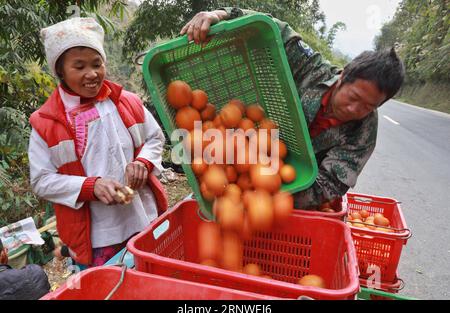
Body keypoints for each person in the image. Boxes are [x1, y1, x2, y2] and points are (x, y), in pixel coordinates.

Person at [180, 8, 405, 209]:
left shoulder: (363, 133)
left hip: (290, 191)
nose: (355, 109)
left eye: (368, 106)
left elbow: (329, 185)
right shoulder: (313, 70)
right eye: (354, 97)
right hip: (251, 150)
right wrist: (218, 15)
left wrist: (267, 195)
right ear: (343, 76)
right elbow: (272, 29)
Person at [28, 17, 168, 269]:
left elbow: (155, 137)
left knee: (152, 283)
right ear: (60, 71)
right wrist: (90, 187)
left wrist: (143, 163)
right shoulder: (46, 122)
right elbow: (41, 180)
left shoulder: (126, 101)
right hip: (98, 237)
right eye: (79, 67)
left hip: (144, 216)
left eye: (97, 64)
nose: (91, 74)